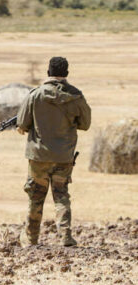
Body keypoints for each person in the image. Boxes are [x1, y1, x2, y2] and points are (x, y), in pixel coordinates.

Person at [16, 56, 91, 248]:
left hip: (39, 157)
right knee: (61, 195)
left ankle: (31, 239)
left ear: (48, 72)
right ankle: (65, 236)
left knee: (36, 196)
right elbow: (85, 124)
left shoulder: (35, 95)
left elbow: (22, 124)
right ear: (66, 73)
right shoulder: (76, 96)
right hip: (64, 157)